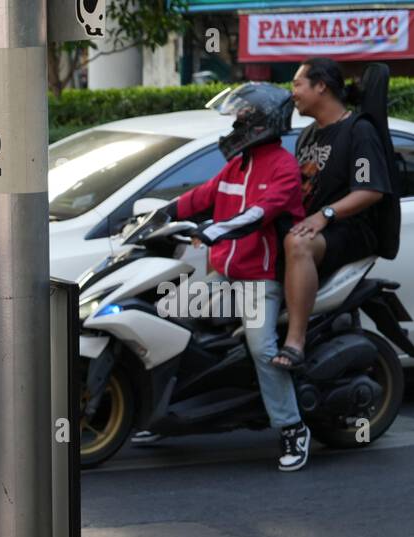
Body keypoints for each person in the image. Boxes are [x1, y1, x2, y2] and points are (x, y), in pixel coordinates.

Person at [148, 83, 309, 470]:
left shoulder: (282, 168)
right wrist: (161, 215)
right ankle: (163, 412)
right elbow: (202, 196)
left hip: (259, 278)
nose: (235, 123)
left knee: (262, 348)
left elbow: (258, 214)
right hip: (224, 270)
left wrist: (211, 231)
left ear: (261, 123)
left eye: (242, 117)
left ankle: (292, 428)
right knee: (168, 313)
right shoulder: (238, 163)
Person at [278, 58, 398, 376]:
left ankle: (295, 341)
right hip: (315, 225)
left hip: (349, 229)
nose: (292, 93)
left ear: (321, 86)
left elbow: (371, 190)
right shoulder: (307, 136)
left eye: (297, 84)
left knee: (298, 243)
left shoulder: (358, 130)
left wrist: (325, 215)